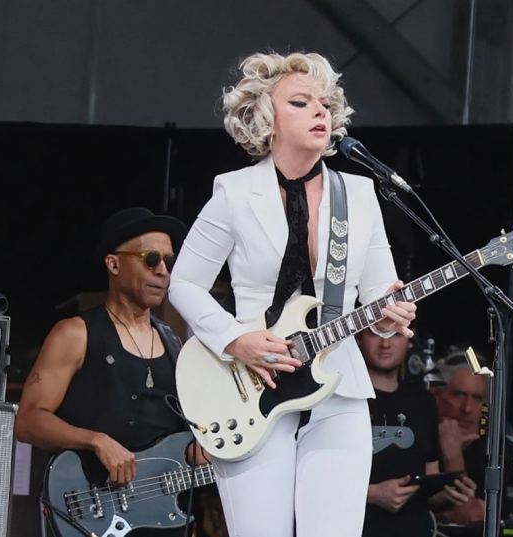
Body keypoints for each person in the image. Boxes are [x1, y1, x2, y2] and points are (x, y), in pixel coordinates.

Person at [167, 52, 417, 537]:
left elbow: (379, 301)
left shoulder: (360, 195)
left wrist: (391, 316)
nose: (320, 112)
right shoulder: (235, 193)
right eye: (301, 103)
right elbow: (184, 282)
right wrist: (235, 339)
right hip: (249, 383)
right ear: (267, 120)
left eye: (326, 103)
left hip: (337, 381)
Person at [15, 207, 201, 536]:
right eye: (151, 258)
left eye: (169, 262)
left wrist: (197, 451)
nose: (163, 271)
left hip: (159, 516)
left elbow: (181, 434)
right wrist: (95, 440)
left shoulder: (174, 342)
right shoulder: (75, 333)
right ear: (113, 264)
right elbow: (28, 420)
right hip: (92, 509)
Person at [358, 328, 476, 537]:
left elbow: (428, 483)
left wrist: (449, 495)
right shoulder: (341, 399)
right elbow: (313, 483)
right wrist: (373, 494)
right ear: (358, 338)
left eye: (395, 334)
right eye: (376, 333)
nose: (385, 344)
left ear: (409, 340)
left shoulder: (423, 402)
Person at [430, 352, 489, 524]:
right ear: (437, 396)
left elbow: (471, 517)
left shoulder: (492, 452)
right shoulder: (419, 440)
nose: (467, 408)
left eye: (477, 398)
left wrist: (453, 455)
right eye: (459, 395)